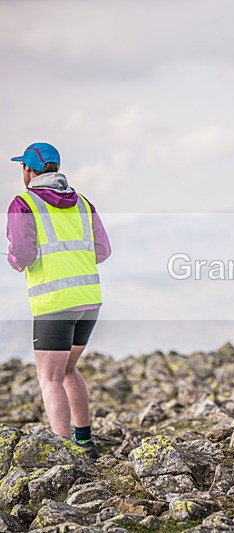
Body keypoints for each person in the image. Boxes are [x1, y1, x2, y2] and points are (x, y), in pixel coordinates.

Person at [6, 142, 111, 458]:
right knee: (67, 370)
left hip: (54, 303)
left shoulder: (23, 204)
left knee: (49, 378)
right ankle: (85, 442)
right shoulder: (83, 203)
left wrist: (15, 258)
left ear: (28, 170)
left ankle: (65, 454)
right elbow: (103, 251)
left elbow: (22, 255)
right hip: (89, 301)